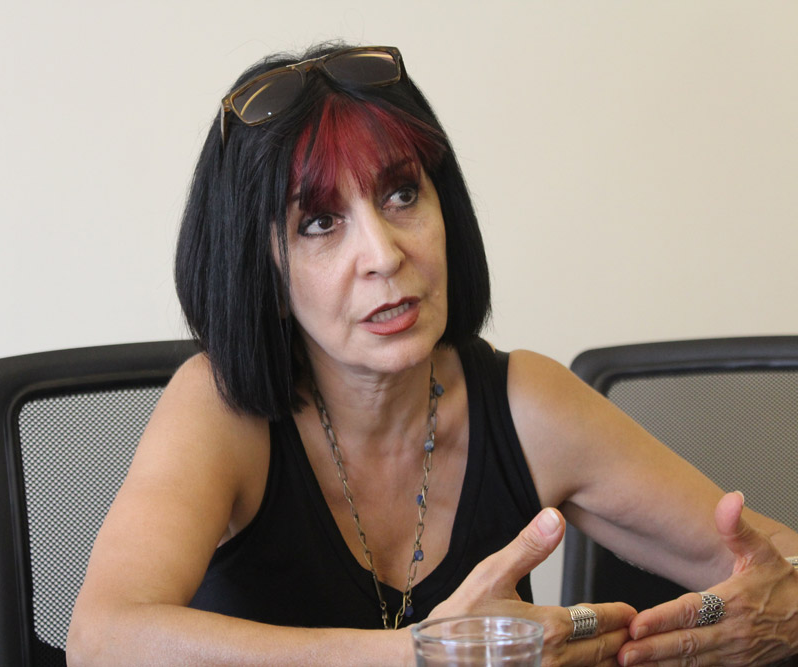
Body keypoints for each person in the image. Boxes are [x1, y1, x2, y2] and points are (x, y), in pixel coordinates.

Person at [66, 43, 798, 666]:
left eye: (401, 195)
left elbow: (775, 565)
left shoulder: (526, 401)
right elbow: (102, 640)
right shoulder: (219, 406)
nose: (384, 254)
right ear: (264, 273)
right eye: (319, 222)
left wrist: (784, 610)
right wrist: (424, 652)